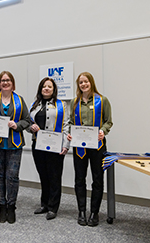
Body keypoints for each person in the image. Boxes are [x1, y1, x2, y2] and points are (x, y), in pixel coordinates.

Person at [0, 71, 30, 224]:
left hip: (14, 144)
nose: (5, 82)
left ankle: (11, 205)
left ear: (12, 83)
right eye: (2, 80)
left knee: (12, 176)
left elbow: (27, 120)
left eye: (8, 80)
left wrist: (18, 125)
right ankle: (2, 205)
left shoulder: (19, 100)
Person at [67, 72, 113, 227]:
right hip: (80, 147)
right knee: (79, 179)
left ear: (91, 82)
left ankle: (94, 212)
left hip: (98, 146)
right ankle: (81, 212)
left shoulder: (103, 100)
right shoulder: (74, 102)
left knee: (97, 179)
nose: (83, 84)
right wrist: (70, 135)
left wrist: (103, 131)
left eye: (86, 82)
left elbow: (108, 121)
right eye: (80, 82)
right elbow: (71, 122)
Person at [28, 77, 69, 220]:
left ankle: (53, 207)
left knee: (54, 176)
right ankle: (44, 204)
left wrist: (65, 145)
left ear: (54, 89)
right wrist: (30, 127)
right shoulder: (34, 105)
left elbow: (66, 125)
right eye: (44, 86)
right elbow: (28, 123)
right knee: (43, 175)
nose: (46, 88)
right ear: (40, 89)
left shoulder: (61, 105)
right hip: (38, 145)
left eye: (49, 87)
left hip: (55, 146)